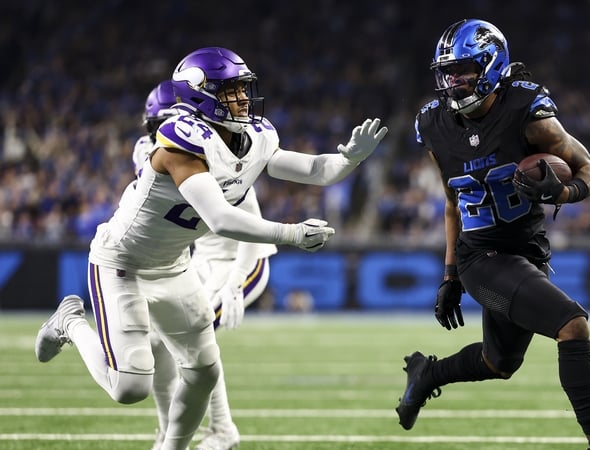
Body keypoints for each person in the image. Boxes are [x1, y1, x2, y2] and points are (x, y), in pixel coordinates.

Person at [35, 46, 388, 450]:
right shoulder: (178, 144)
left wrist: (347, 161)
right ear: (200, 96)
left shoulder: (253, 137)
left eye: (242, 88)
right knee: (130, 387)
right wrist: (291, 235)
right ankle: (71, 323)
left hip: (174, 266)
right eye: (230, 91)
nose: (242, 98)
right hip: (123, 263)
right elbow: (220, 219)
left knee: (202, 370)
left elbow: (312, 169)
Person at [395, 19, 590, 450]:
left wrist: (564, 191)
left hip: (528, 252)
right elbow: (452, 203)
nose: (453, 81)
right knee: (572, 325)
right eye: (446, 72)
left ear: (490, 64)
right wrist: (451, 277)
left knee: (497, 362)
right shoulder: (433, 125)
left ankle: (426, 375)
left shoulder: (526, 111)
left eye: (462, 70)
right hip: (481, 257)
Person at [136, 80, 277, 450]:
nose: (165, 137)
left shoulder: (216, 151)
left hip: (241, 258)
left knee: (191, 340)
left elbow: (253, 227)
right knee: (155, 341)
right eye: (157, 129)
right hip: (199, 260)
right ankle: (168, 428)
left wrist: (234, 283)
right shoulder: (154, 154)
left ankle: (222, 430)